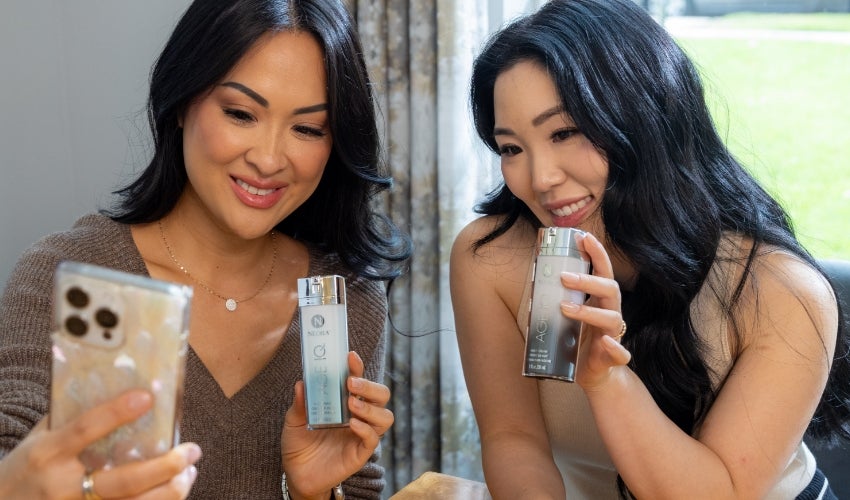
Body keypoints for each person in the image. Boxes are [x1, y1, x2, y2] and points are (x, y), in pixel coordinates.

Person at [0, 0, 412, 498]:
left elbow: (357, 488)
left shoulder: (347, 299)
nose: (267, 159)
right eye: (241, 113)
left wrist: (310, 493)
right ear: (180, 104)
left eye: (307, 128)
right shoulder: (67, 275)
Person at [450, 0, 850, 498]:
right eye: (511, 148)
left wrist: (606, 382)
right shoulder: (491, 259)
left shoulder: (782, 292)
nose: (540, 179)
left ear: (646, 118)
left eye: (565, 132)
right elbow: (513, 440)